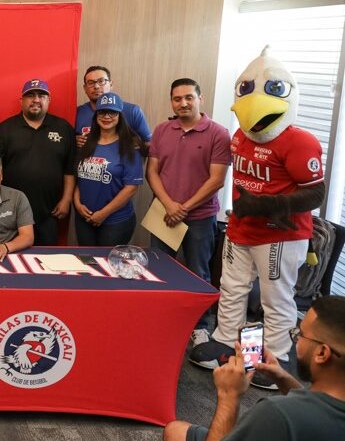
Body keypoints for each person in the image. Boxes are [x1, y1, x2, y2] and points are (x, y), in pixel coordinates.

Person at [77, 296, 345, 441]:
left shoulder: (275, 415)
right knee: (174, 431)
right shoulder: (322, 403)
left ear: (322, 353)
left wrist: (229, 396)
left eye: (300, 334)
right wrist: (283, 378)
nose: (296, 340)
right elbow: (312, 407)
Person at [190, 49, 326, 390]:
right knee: (232, 289)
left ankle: (274, 358)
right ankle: (229, 344)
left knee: (275, 298)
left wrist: (264, 205)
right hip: (241, 228)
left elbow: (315, 194)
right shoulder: (239, 137)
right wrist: (244, 209)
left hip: (279, 235)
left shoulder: (300, 141)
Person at [146, 78, 231, 348]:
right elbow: (152, 172)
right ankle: (162, 320)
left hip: (200, 217)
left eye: (188, 97)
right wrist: (170, 205)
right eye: (177, 98)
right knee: (159, 270)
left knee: (198, 273)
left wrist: (184, 207)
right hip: (164, 213)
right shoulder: (162, 130)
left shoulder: (218, 133)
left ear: (200, 98)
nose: (183, 103)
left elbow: (217, 179)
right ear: (171, 101)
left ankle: (200, 327)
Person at [0, 78, 75, 245]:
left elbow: (69, 169)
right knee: (12, 261)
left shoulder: (64, 128)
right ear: (22, 101)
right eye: (31, 95)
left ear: (48, 100)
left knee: (45, 261)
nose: (36, 100)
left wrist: (66, 200)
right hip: (10, 212)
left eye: (41, 96)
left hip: (49, 212)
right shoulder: (5, 129)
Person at [73, 92, 145, 246]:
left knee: (108, 267)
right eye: (102, 112)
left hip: (115, 221)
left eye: (112, 112)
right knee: (87, 263)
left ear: (120, 116)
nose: (106, 116)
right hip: (84, 218)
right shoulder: (86, 143)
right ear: (96, 115)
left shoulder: (130, 146)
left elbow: (131, 187)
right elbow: (79, 178)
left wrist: (103, 214)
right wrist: (77, 203)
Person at [75, 66, 152, 148]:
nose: (96, 86)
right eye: (90, 83)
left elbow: (151, 146)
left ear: (111, 84)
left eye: (101, 81)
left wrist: (138, 145)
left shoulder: (132, 111)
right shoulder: (77, 113)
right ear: (85, 88)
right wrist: (73, 141)